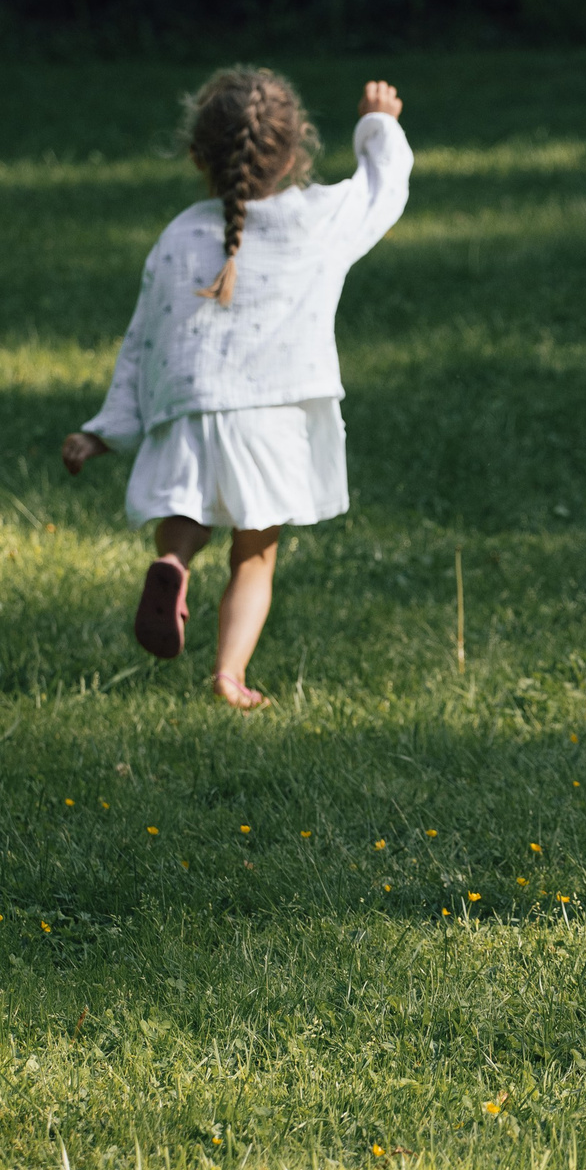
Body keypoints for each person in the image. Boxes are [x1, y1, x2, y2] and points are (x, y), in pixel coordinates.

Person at [63, 68, 411, 709]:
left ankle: (172, 564)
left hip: (187, 414)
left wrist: (104, 429)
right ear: (296, 150)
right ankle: (229, 676)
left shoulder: (178, 235)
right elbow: (381, 191)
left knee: (187, 513)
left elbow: (144, 341)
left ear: (198, 156)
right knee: (254, 555)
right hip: (270, 419)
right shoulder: (317, 220)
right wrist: (378, 124)